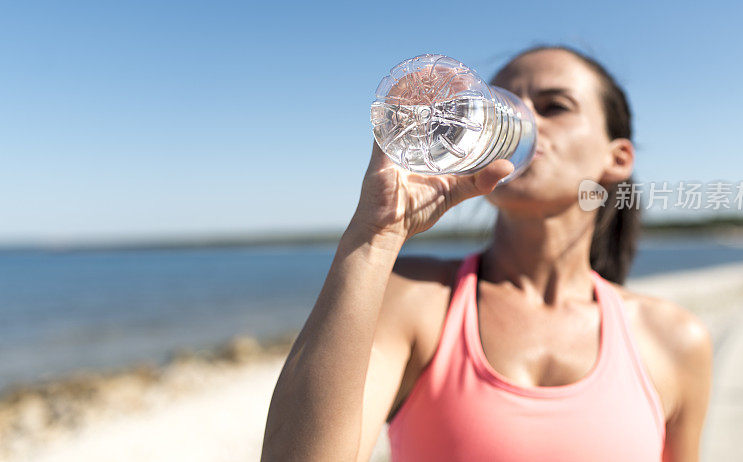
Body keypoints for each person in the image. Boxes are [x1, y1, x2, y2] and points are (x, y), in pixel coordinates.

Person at [260, 45, 713, 462]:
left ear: (617, 158)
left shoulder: (673, 339)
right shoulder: (415, 301)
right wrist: (377, 234)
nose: (522, 120)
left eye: (555, 106)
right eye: (495, 102)